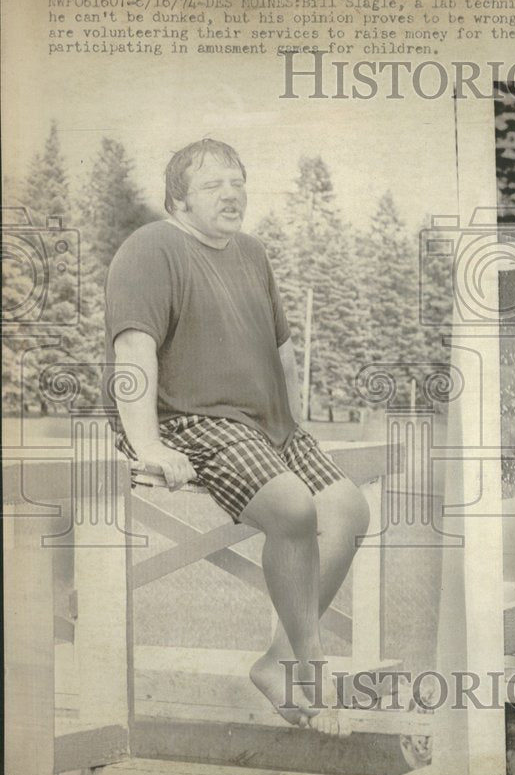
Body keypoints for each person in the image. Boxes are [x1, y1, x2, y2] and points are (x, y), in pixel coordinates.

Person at [104, 139, 367, 733]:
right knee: (291, 508)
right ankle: (311, 668)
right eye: (213, 185)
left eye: (238, 182)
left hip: (267, 423)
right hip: (189, 417)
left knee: (348, 507)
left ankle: (276, 661)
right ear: (178, 199)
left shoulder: (251, 253)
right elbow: (133, 349)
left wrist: (296, 425)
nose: (231, 194)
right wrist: (147, 444)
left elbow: (282, 349)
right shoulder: (151, 249)